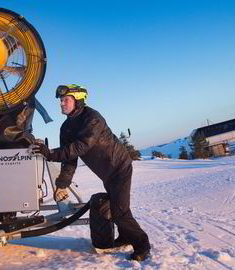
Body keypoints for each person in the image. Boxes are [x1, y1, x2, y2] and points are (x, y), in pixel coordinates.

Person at [32, 84, 151, 261]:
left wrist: (50, 154)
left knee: (120, 212)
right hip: (107, 173)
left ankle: (142, 246)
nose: (61, 104)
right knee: (119, 207)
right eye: (61, 101)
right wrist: (62, 184)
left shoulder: (92, 118)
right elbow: (70, 160)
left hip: (119, 168)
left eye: (66, 100)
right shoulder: (65, 128)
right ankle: (126, 236)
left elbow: (80, 147)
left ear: (78, 100)